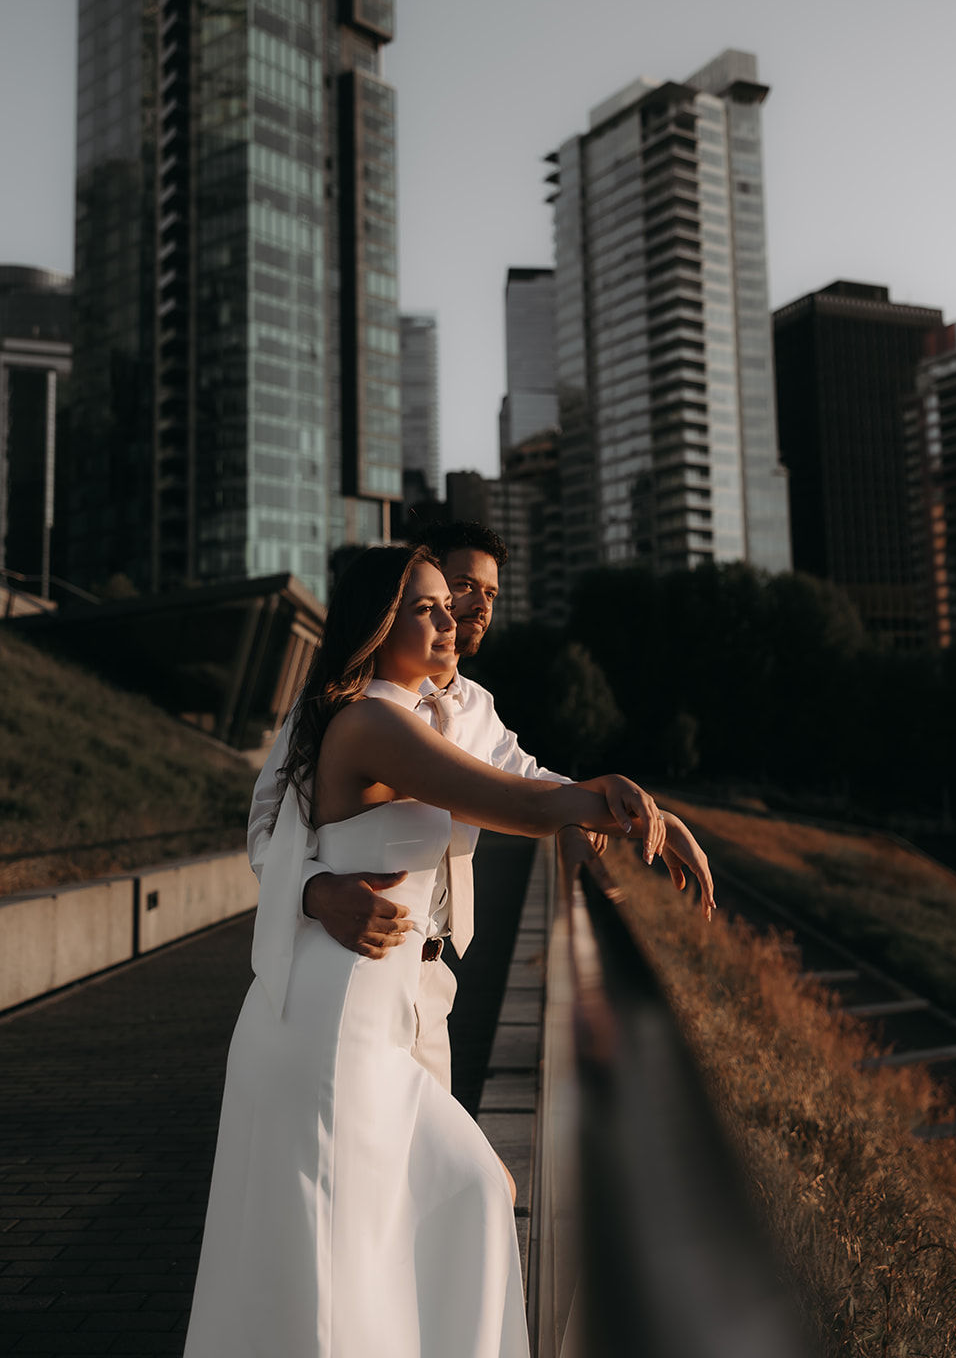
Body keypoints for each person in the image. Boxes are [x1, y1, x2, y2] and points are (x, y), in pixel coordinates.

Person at [184, 545, 665, 1358]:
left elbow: (521, 775)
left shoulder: (419, 711)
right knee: (335, 1274)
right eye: (429, 606)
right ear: (378, 625)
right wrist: (604, 798)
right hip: (333, 1026)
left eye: (456, 603)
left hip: (382, 1014)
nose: (453, 619)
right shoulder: (368, 720)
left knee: (474, 1192)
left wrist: (606, 809)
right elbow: (509, 800)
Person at [246, 522, 715, 1090]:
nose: (472, 608)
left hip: (429, 976)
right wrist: (313, 891)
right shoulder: (346, 706)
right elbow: (267, 825)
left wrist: (649, 815)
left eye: (488, 594)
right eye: (460, 587)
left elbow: (532, 781)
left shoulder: (476, 707)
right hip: (353, 962)